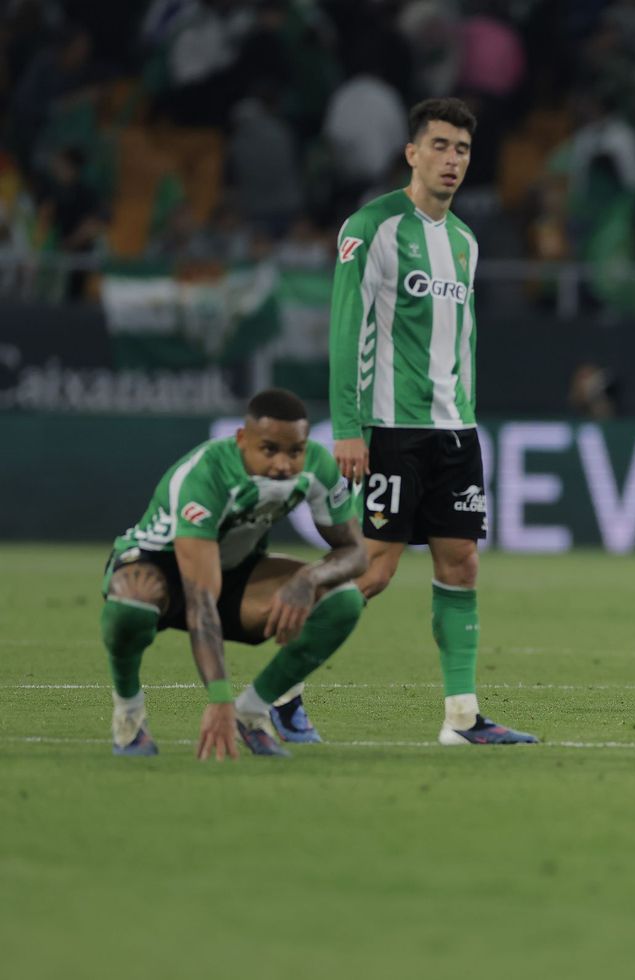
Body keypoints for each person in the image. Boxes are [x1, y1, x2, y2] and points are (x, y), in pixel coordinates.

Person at [324, 97, 537, 745]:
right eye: (440, 146)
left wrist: (466, 416)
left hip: (455, 431)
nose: (452, 160)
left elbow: (460, 339)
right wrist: (348, 426)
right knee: (375, 570)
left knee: (461, 564)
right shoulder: (372, 228)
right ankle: (279, 689)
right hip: (391, 427)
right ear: (411, 153)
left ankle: (462, 717)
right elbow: (345, 330)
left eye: (463, 150)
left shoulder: (465, 242)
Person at [99, 389, 367, 760]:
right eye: (269, 449)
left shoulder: (316, 467)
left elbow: (354, 551)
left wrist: (309, 580)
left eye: (295, 451)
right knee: (132, 599)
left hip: (231, 574)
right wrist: (218, 698)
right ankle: (128, 715)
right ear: (242, 440)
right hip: (159, 566)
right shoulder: (206, 475)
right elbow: (199, 597)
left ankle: (253, 710)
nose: (284, 465)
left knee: (343, 599)